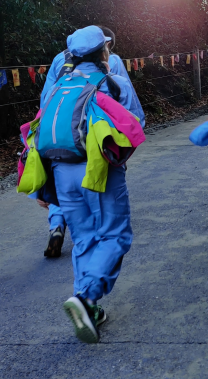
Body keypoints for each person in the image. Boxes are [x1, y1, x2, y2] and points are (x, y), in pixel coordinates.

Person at [38, 25, 145, 343]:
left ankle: (89, 308)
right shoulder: (114, 82)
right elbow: (136, 121)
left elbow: (41, 125)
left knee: (84, 238)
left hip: (61, 172)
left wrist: (43, 187)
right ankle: (85, 298)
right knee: (115, 235)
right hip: (99, 171)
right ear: (104, 53)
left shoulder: (59, 86)